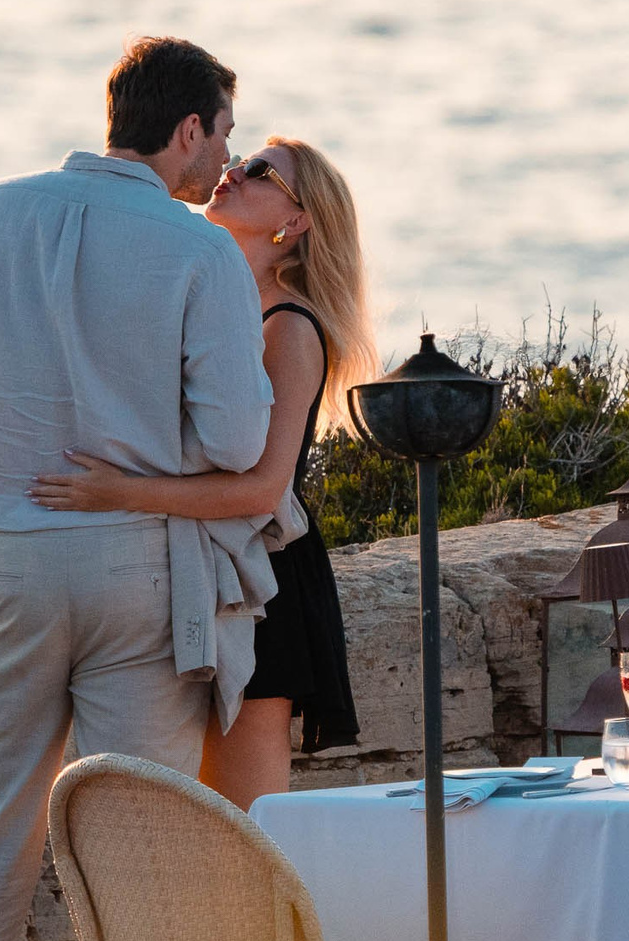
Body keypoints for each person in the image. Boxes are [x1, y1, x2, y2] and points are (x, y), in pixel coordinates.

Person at [0, 36, 279, 941]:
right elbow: (238, 444)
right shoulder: (197, 249)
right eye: (222, 139)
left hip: (9, 563)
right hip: (138, 567)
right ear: (187, 128)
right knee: (134, 854)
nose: (221, 168)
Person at [26, 136, 375, 806]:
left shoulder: (287, 328)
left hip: (260, 580)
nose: (233, 171)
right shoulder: (208, 302)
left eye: (261, 173)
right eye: (241, 157)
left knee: (239, 827)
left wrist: (116, 493)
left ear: (295, 222)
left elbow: (261, 489)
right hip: (190, 569)